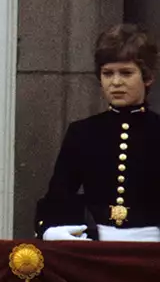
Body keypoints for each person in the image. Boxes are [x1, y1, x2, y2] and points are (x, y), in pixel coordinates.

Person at [36, 24, 160, 243]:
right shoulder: (83, 133)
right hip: (96, 250)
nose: (116, 82)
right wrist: (50, 229)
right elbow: (58, 195)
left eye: (126, 73)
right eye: (107, 73)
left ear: (147, 78)